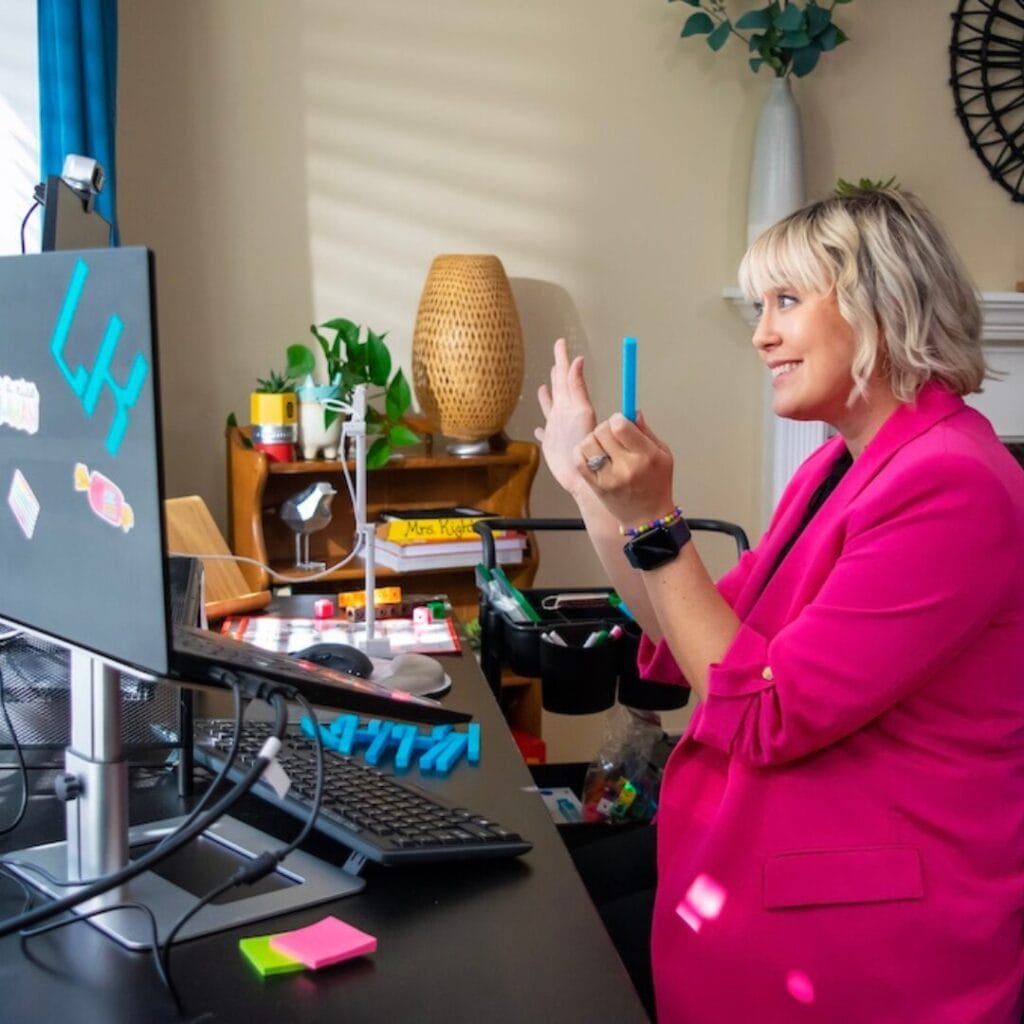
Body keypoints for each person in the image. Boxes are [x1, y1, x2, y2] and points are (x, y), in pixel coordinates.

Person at [535, 187, 1024, 1023]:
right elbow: (685, 631)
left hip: (869, 933)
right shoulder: (840, 465)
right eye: (761, 304)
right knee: (544, 919)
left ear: (880, 306)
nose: (761, 334)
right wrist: (595, 491)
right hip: (772, 858)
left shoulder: (952, 486)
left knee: (549, 964)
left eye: (786, 302)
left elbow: (761, 708)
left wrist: (655, 517)